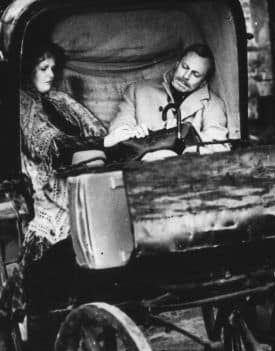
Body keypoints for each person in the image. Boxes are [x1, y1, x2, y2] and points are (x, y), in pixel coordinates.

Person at [17, 42, 107, 309]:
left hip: (81, 168)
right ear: (28, 70)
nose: (50, 74)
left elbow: (95, 129)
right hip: (48, 178)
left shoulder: (59, 100)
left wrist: (104, 141)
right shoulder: (23, 104)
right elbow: (45, 142)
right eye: (43, 68)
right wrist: (84, 148)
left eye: (53, 68)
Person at [105, 43, 230, 157]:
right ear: (177, 64)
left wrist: (188, 136)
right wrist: (132, 133)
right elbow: (117, 132)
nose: (185, 76)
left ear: (203, 82)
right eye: (185, 67)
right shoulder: (138, 90)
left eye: (195, 74)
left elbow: (219, 146)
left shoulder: (214, 105)